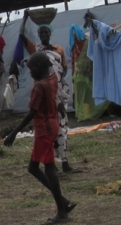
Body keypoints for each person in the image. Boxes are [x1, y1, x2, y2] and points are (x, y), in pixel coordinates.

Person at [4, 52, 77, 225]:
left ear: (38, 68)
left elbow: (32, 113)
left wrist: (13, 133)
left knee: (36, 168)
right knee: (48, 167)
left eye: (30, 70)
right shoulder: (52, 79)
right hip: (53, 125)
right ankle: (62, 204)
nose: (29, 74)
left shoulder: (39, 87)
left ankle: (62, 207)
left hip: (44, 129)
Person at [21, 10, 79, 174]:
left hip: (59, 91)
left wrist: (59, 88)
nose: (44, 34)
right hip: (46, 96)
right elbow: (22, 36)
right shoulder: (36, 50)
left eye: (47, 32)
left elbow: (63, 68)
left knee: (62, 127)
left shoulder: (58, 50)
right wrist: (25, 19)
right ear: (39, 35)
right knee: (49, 129)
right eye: (41, 32)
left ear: (50, 33)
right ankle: (50, 165)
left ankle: (65, 163)